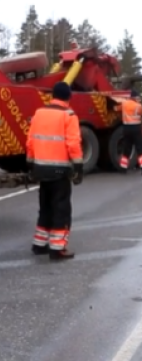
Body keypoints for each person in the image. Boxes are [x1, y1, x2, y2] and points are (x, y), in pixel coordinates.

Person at [26, 81, 83, 260]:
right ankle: (57, 249)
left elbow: (31, 140)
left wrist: (30, 163)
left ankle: (39, 244)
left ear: (52, 96)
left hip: (41, 168)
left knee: (45, 207)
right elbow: (73, 143)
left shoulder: (39, 113)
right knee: (61, 209)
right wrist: (78, 166)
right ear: (68, 97)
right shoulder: (68, 115)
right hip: (59, 170)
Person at [119, 89, 142, 175]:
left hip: (126, 129)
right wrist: (139, 102)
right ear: (135, 97)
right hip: (136, 129)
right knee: (140, 150)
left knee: (126, 149)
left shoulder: (124, 103)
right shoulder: (138, 106)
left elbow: (117, 108)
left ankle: (123, 168)